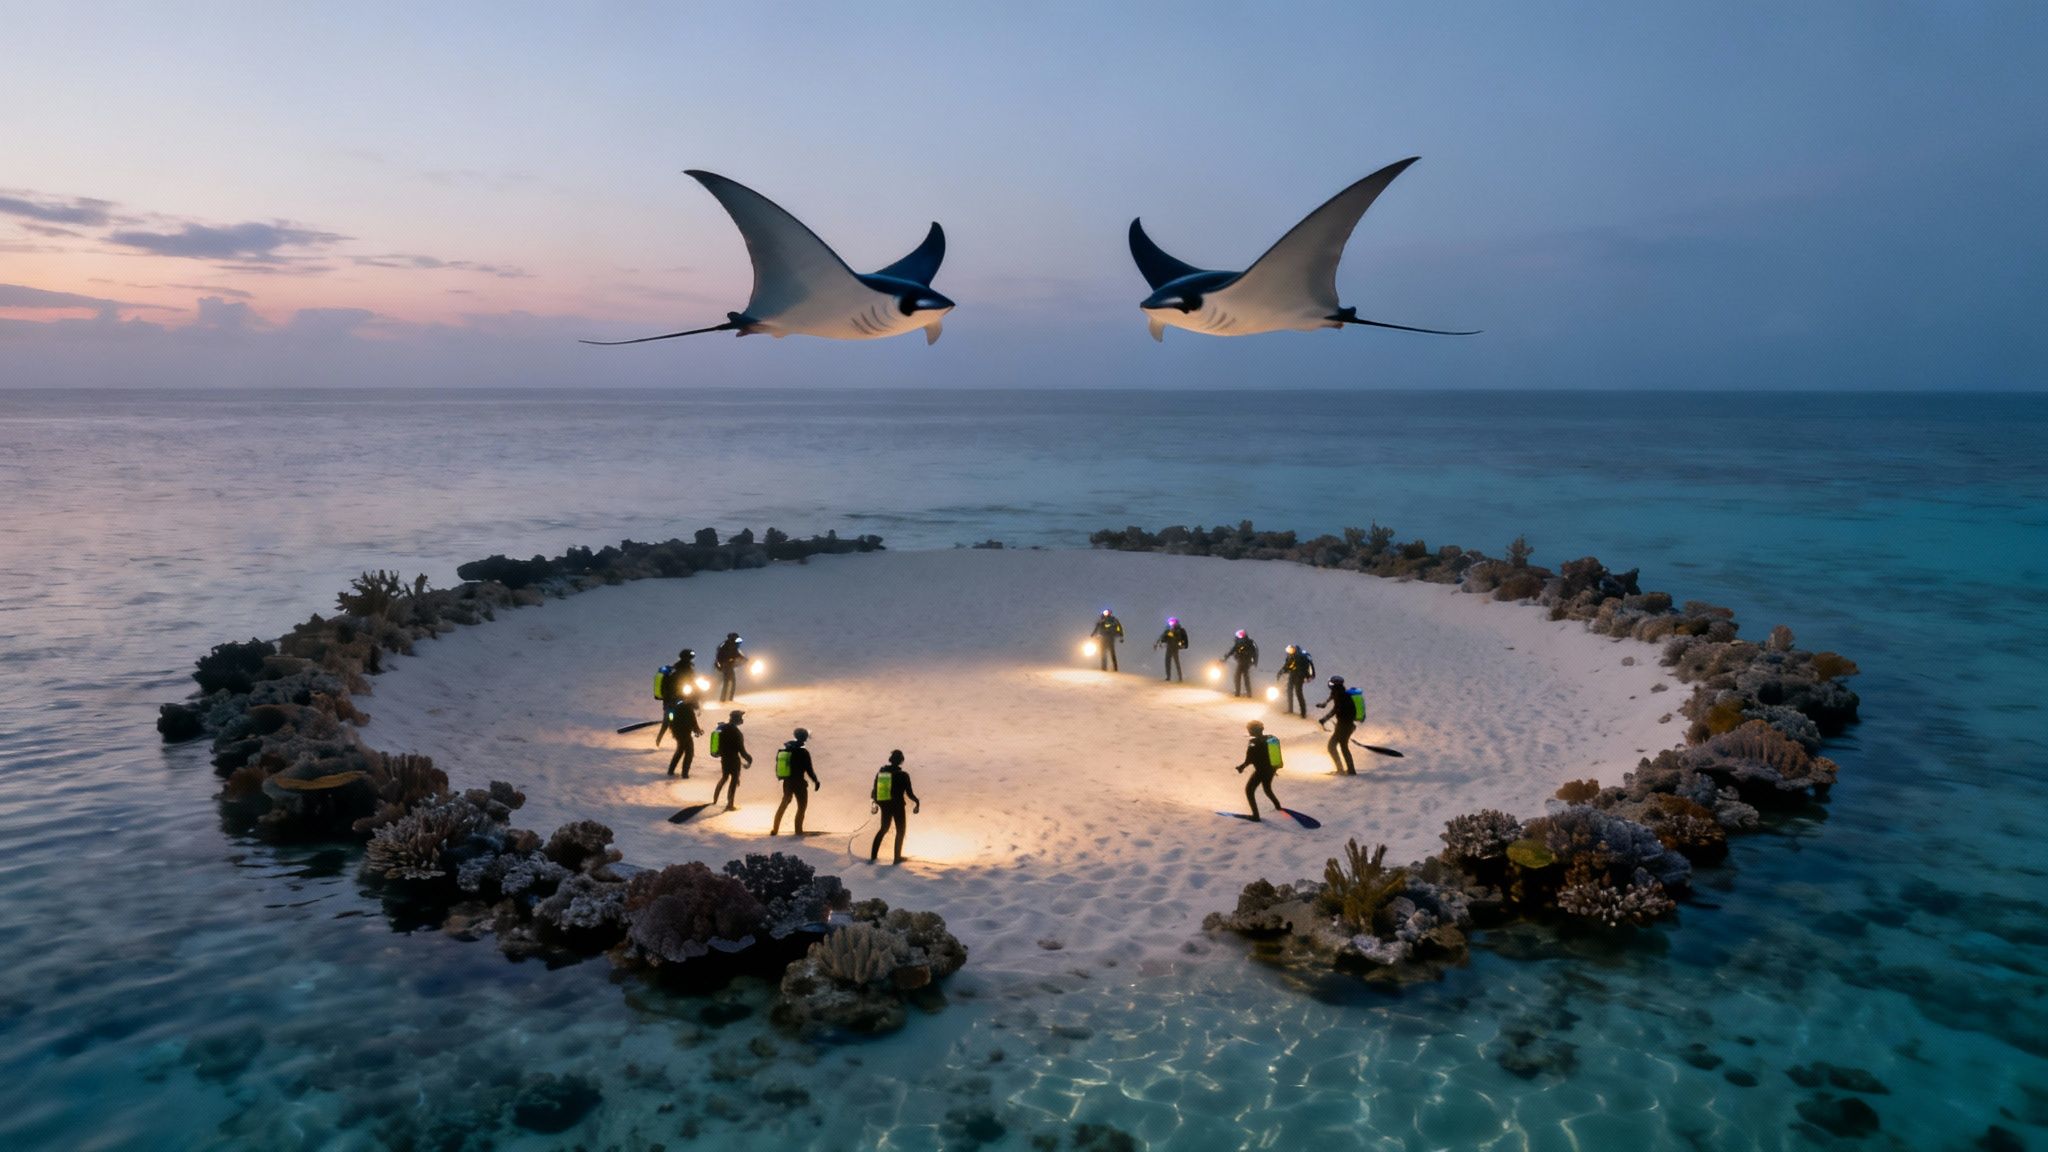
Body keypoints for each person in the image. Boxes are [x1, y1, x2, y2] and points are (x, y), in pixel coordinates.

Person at [869, 750, 921, 864]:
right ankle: (897, 858)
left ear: (891, 759)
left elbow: (875, 792)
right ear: (901, 761)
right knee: (900, 831)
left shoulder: (883, 773)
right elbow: (909, 794)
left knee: (883, 829)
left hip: (886, 806)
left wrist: (877, 804)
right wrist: (917, 802)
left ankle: (873, 857)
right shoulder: (903, 775)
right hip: (898, 806)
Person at [770, 727, 821, 835]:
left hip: (787, 783)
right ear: (804, 738)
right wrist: (816, 781)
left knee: (784, 804)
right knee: (801, 807)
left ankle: (775, 830)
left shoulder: (786, 750)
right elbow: (809, 770)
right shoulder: (803, 752)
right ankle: (798, 831)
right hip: (799, 783)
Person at [1235, 720, 1284, 820]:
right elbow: (1277, 758)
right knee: (1267, 788)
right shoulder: (1272, 738)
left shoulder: (1253, 743)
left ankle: (1255, 816)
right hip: (1271, 770)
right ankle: (1278, 806)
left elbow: (1249, 759)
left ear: (1251, 731)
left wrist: (1241, 767)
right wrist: (1274, 769)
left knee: (1249, 790)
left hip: (1261, 771)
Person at [1316, 675, 1360, 775]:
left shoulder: (1340, 695)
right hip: (1345, 725)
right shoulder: (1339, 693)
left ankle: (1345, 770)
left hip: (1344, 726)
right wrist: (1323, 706)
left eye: (1331, 684)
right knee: (1339, 746)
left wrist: (1324, 719)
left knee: (1334, 746)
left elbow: (1335, 710)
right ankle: (1348, 770)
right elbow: (1331, 702)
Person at [709, 710, 753, 809]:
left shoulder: (723, 728)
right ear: (737, 719)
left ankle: (715, 799)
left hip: (724, 758)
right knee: (734, 780)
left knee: (724, 777)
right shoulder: (736, 733)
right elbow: (742, 751)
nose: (742, 719)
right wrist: (749, 759)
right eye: (741, 717)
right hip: (734, 760)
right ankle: (730, 804)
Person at [655, 648, 696, 746]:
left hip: (681, 696)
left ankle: (688, 733)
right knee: (669, 718)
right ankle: (659, 739)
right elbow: (672, 683)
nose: (689, 659)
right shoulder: (675, 670)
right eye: (688, 657)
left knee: (687, 713)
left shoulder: (688, 668)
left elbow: (692, 682)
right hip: (672, 697)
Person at [665, 692, 703, 778]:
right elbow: (692, 721)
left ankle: (671, 770)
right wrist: (697, 730)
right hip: (684, 733)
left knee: (680, 751)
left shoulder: (678, 706)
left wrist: (673, 729)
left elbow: (672, 719)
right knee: (689, 752)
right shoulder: (688, 708)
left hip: (678, 732)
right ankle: (684, 773)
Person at [1276, 645, 1316, 716]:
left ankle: (1303, 713)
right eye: (1289, 650)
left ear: (1295, 649)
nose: (1290, 652)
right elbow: (1287, 665)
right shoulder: (1291, 656)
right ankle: (1290, 710)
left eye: (1291, 650)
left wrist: (1308, 676)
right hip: (1293, 674)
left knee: (1298, 693)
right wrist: (1281, 672)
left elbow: (1306, 667)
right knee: (1289, 691)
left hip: (1300, 676)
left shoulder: (1301, 657)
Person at [1222, 629, 1259, 697]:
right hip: (1243, 661)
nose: (1240, 636)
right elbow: (1232, 651)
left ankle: (1240, 692)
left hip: (1245, 661)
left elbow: (1254, 653)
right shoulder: (1241, 643)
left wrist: (1253, 661)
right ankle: (1246, 693)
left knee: (1239, 676)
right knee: (1243, 676)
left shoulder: (1249, 643)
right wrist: (1225, 658)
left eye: (1241, 635)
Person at [1155, 616, 1189, 682]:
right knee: (1167, 662)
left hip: (1175, 647)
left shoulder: (1178, 630)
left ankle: (1180, 677)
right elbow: (1163, 637)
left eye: (1172, 622)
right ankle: (1168, 677)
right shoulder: (1169, 630)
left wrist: (1170, 633)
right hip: (1169, 647)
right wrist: (1160, 641)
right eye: (1170, 622)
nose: (1171, 623)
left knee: (1176, 662)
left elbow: (1177, 637)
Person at [714, 632, 746, 702]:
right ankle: (725, 699)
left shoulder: (731, 645)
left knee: (730, 682)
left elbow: (737, 654)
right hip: (726, 665)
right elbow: (722, 656)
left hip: (728, 665)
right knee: (729, 681)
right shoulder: (727, 645)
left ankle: (727, 699)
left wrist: (744, 659)